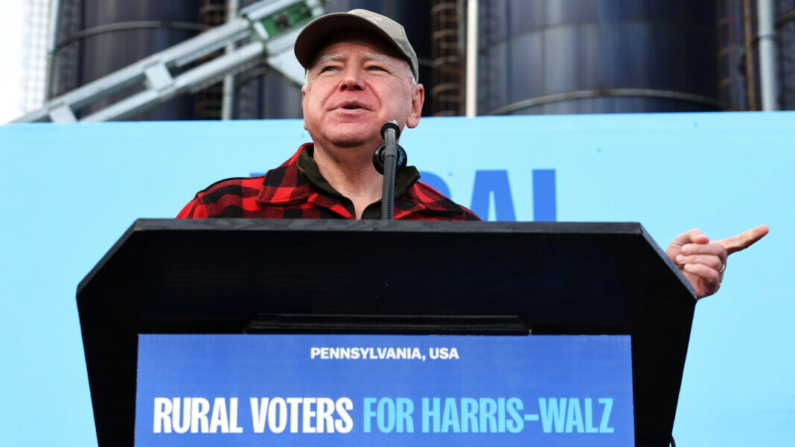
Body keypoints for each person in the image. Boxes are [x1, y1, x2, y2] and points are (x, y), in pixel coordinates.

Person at [178, 9, 768, 298]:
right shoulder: (227, 208)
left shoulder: (456, 230)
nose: (349, 82)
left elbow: (534, 351)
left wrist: (659, 286)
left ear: (414, 106)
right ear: (306, 100)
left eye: (374, 70)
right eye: (330, 70)